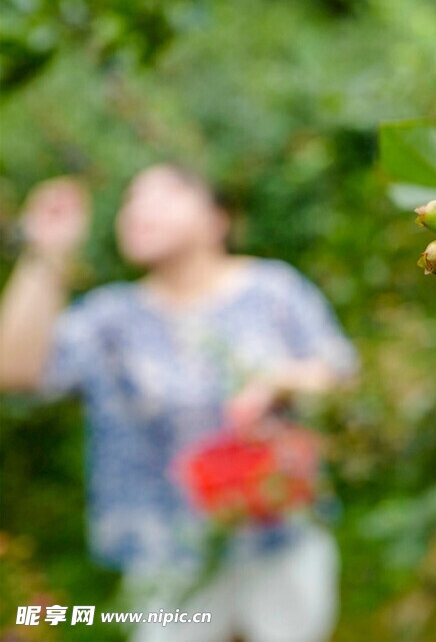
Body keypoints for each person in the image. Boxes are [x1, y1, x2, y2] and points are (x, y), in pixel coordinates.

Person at [0, 165, 359, 642]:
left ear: (217, 218)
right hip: (163, 555)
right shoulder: (112, 318)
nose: (138, 210)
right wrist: (47, 254)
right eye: (130, 200)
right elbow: (14, 370)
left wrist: (281, 381)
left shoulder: (273, 290)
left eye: (164, 194)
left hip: (279, 538)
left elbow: (341, 375)